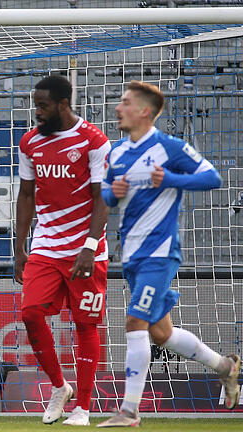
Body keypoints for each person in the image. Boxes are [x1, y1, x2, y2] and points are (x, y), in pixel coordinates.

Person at [96, 81, 241, 428]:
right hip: (130, 253)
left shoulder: (169, 147)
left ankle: (129, 411)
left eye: (125, 103)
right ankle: (226, 366)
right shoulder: (117, 152)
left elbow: (212, 177)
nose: (118, 108)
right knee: (161, 333)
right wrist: (112, 193)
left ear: (144, 112)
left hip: (159, 253)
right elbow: (106, 194)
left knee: (134, 322)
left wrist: (172, 179)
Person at [15, 74, 111, 426]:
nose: (37, 112)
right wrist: (19, 246)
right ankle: (59, 386)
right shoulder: (29, 143)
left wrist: (89, 246)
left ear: (63, 105)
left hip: (87, 250)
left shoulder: (93, 141)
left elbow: (103, 197)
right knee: (30, 314)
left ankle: (82, 408)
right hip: (46, 246)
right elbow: (27, 195)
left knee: (85, 326)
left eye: (43, 106)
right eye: (35, 105)